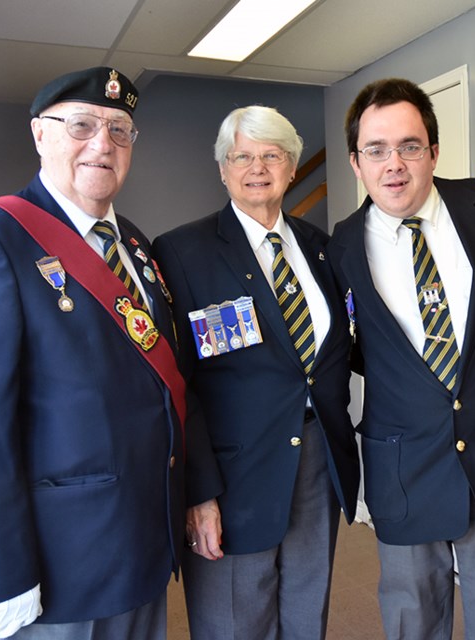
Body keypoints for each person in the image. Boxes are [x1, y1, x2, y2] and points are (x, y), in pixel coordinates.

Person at [0, 67, 185, 639]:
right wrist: (2, 579)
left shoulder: (136, 246)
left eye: (120, 130)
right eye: (82, 125)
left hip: (142, 546)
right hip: (57, 569)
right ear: (40, 135)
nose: (103, 143)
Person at [327, 78, 475, 639]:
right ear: (356, 162)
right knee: (412, 621)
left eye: (409, 145)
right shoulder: (340, 247)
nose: (394, 164)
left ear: (434, 151)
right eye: (376, 150)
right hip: (404, 468)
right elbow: (347, 348)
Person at [152, 106, 359, 640]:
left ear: (292, 167)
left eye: (272, 155)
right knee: (236, 620)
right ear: (223, 170)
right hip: (232, 471)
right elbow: (177, 382)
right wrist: (198, 492)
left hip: (317, 459)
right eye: (241, 156)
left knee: (306, 611)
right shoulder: (181, 251)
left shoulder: (320, 247)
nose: (256, 167)